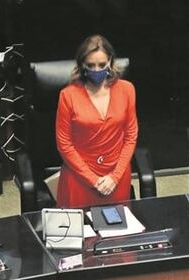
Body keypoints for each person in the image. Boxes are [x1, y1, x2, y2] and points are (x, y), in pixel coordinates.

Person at [55, 34, 138, 208]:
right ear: (82, 65)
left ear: (111, 62)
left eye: (101, 65)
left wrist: (114, 177)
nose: (97, 70)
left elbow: (130, 136)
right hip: (79, 179)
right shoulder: (68, 95)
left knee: (118, 232)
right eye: (91, 65)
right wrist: (93, 180)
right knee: (81, 232)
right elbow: (64, 144)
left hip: (116, 178)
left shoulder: (127, 90)